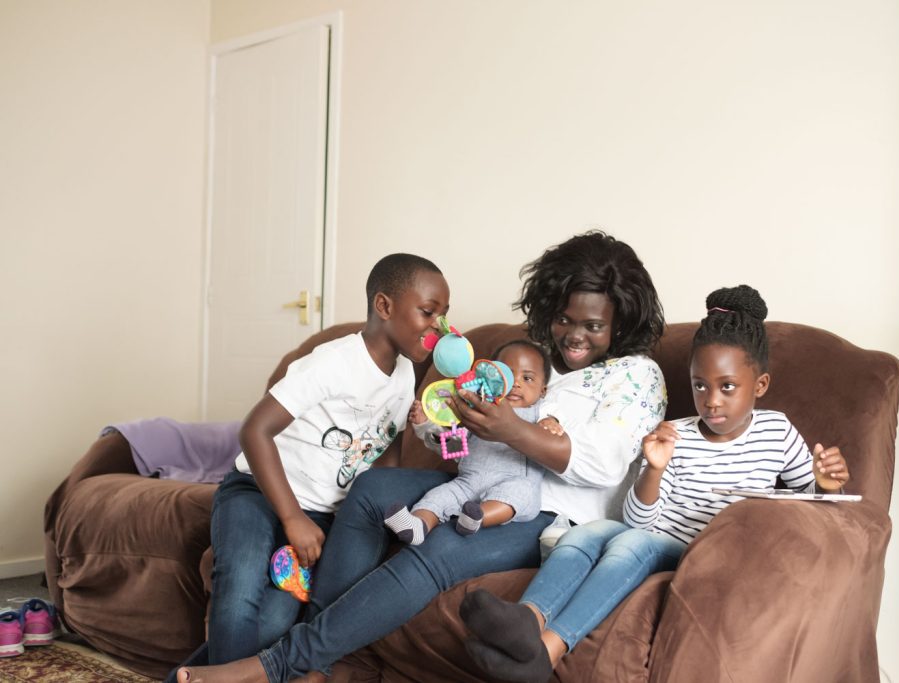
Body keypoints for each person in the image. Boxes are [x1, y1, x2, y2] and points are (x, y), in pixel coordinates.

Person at [175, 230, 667, 683]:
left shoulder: (637, 376)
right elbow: (463, 450)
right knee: (371, 492)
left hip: (543, 509)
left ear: (621, 322)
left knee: (437, 548)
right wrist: (449, 426)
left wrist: (511, 429)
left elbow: (601, 464)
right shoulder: (533, 362)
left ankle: (285, 662)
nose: (573, 335)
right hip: (480, 475)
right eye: (563, 319)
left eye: (593, 326)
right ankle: (321, 654)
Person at [458, 284, 852, 683]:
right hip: (655, 537)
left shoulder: (777, 431)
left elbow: (819, 513)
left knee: (630, 543)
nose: (711, 400)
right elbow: (640, 521)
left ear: (760, 385)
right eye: (700, 385)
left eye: (727, 387)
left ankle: (549, 649)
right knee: (587, 533)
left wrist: (826, 484)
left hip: (699, 551)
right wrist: (655, 468)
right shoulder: (674, 434)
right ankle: (527, 619)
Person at [167, 254, 449, 679]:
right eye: (428, 312)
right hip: (260, 492)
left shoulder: (406, 374)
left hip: (322, 518)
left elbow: (383, 451)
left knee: (278, 620)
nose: (438, 327)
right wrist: (291, 516)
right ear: (384, 306)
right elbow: (255, 431)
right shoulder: (333, 361)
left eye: (443, 315)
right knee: (239, 586)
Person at [384, 339, 556, 544]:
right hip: (468, 482)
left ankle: (478, 518)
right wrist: (425, 425)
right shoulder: (478, 410)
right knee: (440, 495)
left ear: (543, 391)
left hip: (513, 481)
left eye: (527, 378)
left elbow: (551, 440)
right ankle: (418, 525)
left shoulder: (538, 413)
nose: (516, 383)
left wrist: (550, 423)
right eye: (506, 376)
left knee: (520, 494)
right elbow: (455, 447)